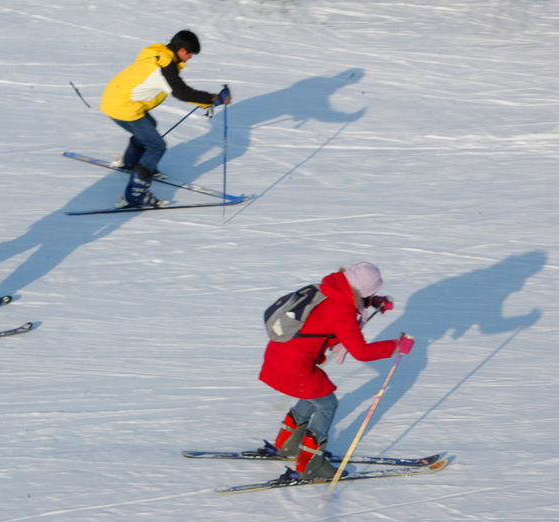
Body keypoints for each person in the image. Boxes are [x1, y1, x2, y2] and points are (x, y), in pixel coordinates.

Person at [258, 262, 415, 480]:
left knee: (315, 396)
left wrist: (371, 302)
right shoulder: (341, 310)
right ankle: (310, 464)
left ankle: (287, 445)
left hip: (281, 355)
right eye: (372, 292)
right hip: (295, 365)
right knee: (327, 404)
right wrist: (395, 346)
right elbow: (361, 352)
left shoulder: (329, 288)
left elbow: (339, 306)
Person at [100, 29, 231, 208]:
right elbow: (182, 93)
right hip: (124, 106)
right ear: (183, 51)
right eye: (191, 54)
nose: (190, 58)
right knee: (156, 145)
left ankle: (132, 163)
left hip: (113, 98)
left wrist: (208, 102)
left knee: (150, 126)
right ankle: (136, 194)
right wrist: (213, 99)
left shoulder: (158, 54)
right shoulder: (165, 67)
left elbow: (177, 90)